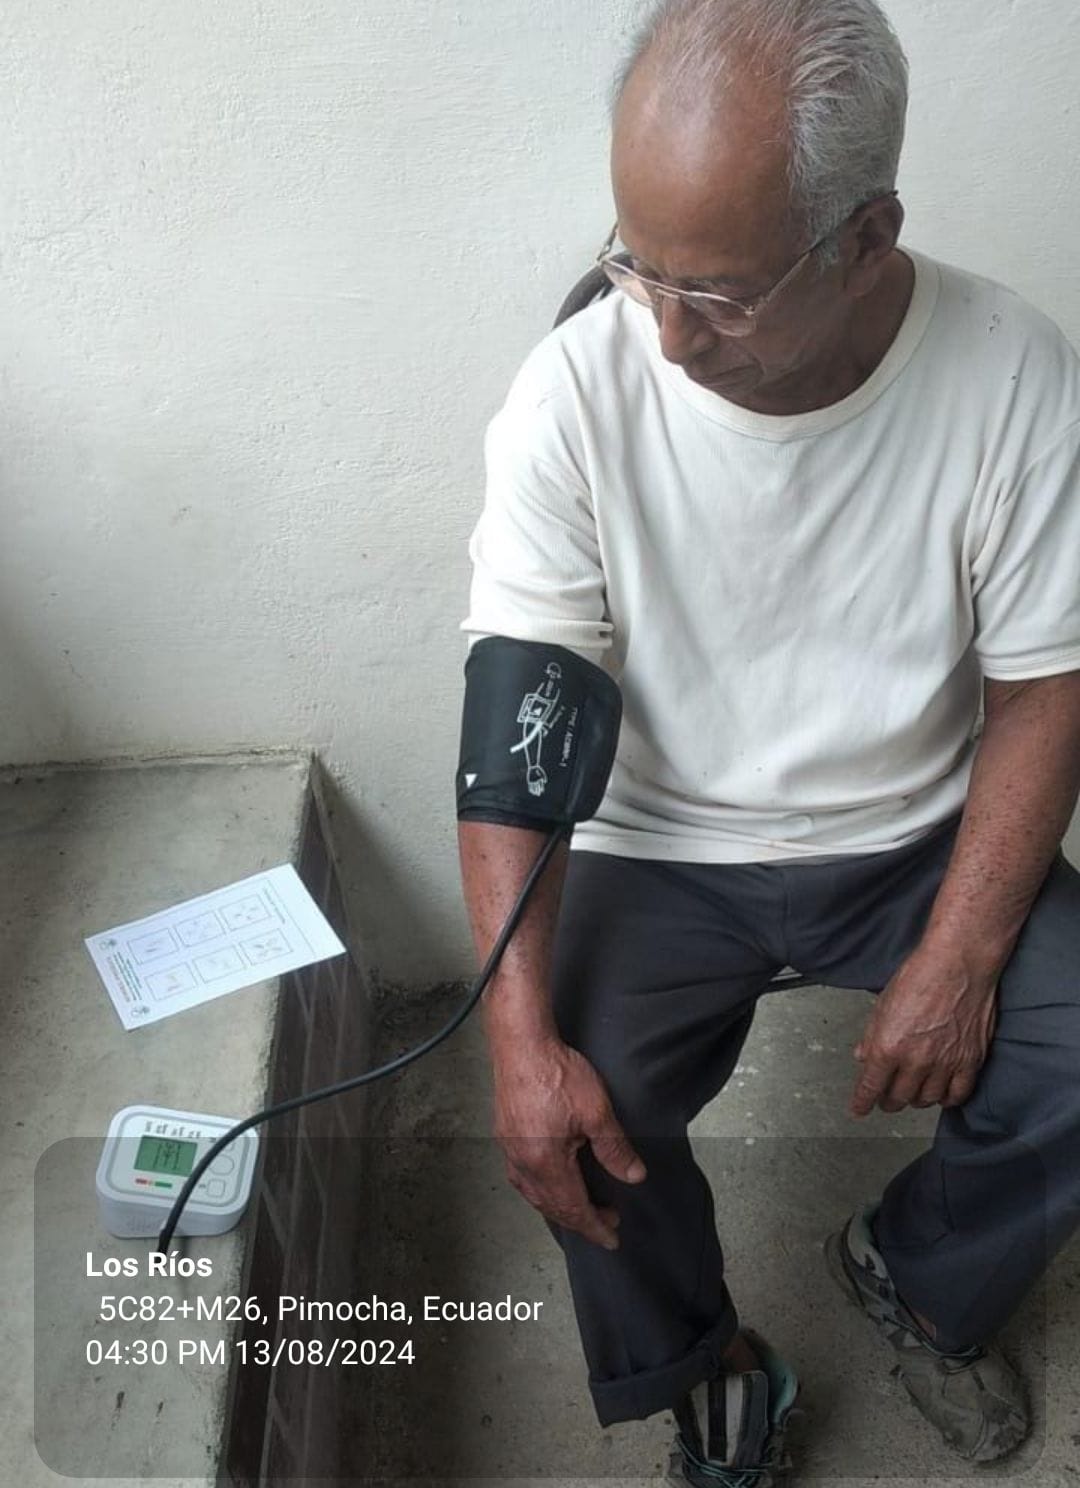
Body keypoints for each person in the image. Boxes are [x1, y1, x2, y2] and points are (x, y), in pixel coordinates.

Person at [457, 0, 1080, 1480]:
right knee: (575, 1107)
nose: (666, 337)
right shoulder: (578, 391)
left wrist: (961, 958)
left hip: (913, 833)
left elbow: (1047, 686)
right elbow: (516, 732)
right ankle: (702, 1361)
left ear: (866, 239)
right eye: (637, 266)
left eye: (720, 296)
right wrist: (517, 1045)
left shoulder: (1010, 371)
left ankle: (918, 1272)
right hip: (659, 841)